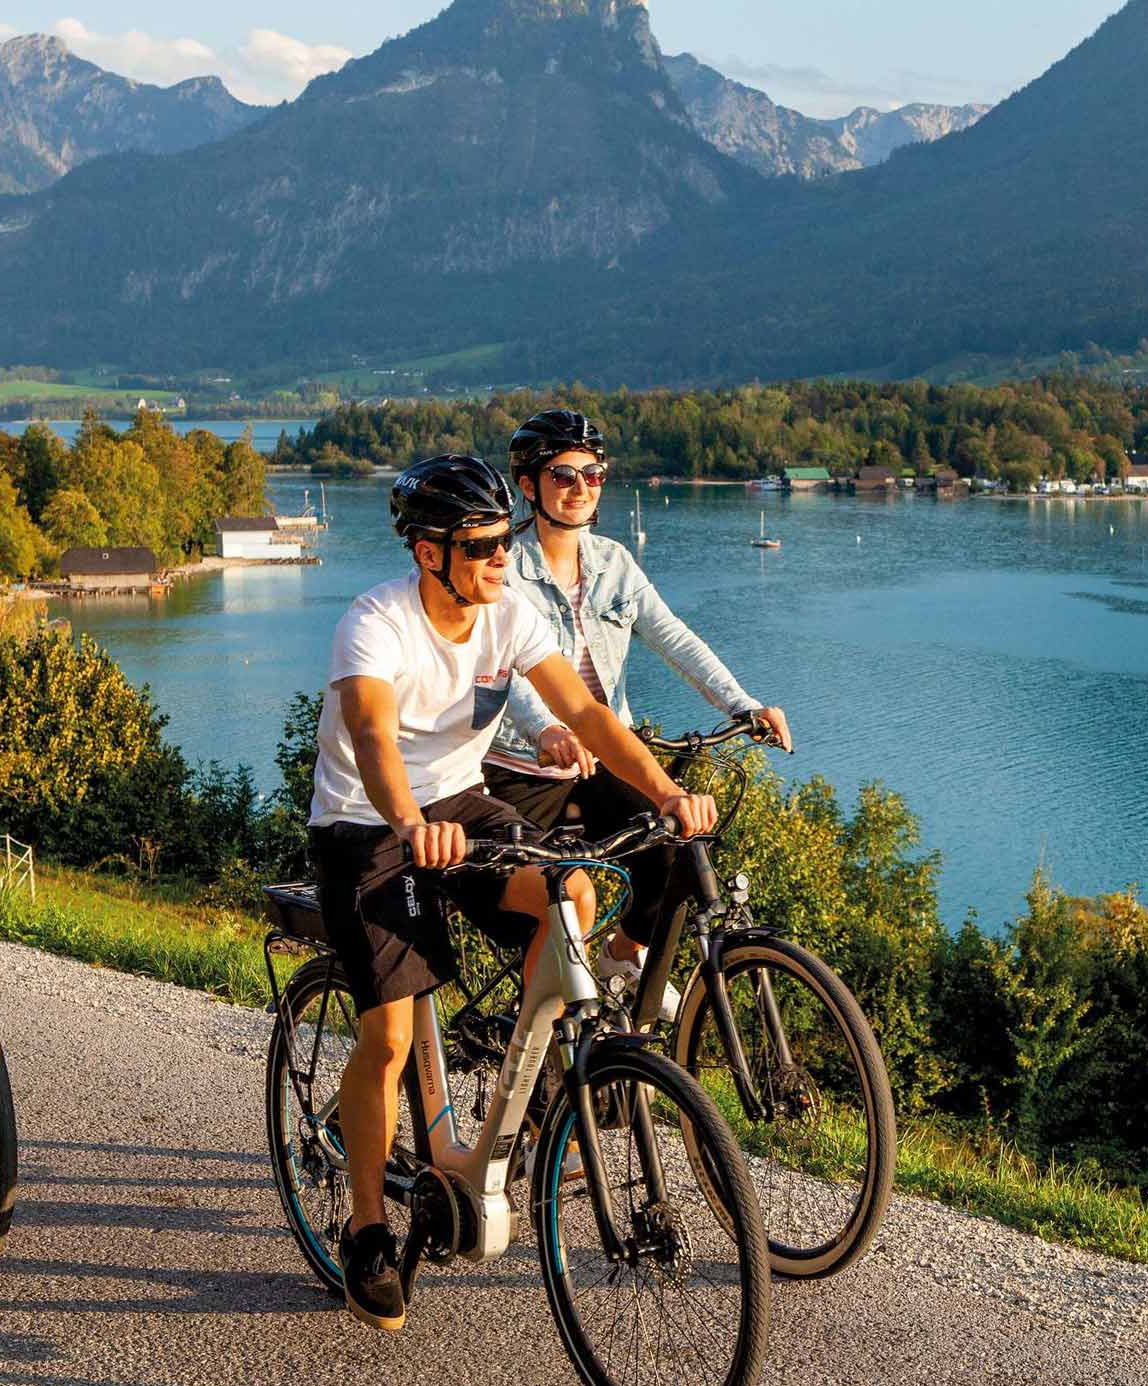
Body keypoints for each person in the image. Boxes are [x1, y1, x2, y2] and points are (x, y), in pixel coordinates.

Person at [310, 453, 716, 1332]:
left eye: (505, 540)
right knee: (384, 1040)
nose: (504, 556)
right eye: (486, 545)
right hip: (366, 824)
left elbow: (587, 715)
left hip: (460, 803)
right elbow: (375, 738)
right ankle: (369, 1228)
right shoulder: (373, 624)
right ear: (430, 553)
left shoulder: (507, 611)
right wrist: (411, 822)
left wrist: (664, 792)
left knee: (575, 891)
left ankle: (517, 1095)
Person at [485, 410, 791, 1013]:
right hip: (522, 769)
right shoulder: (505, 570)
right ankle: (539, 1050)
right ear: (528, 484)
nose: (581, 489)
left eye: (594, 475)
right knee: (551, 911)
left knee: (676, 847)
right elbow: (507, 672)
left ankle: (623, 957)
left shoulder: (614, 563)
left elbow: (674, 637)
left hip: (605, 754)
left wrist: (743, 702)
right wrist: (545, 728)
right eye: (564, 474)